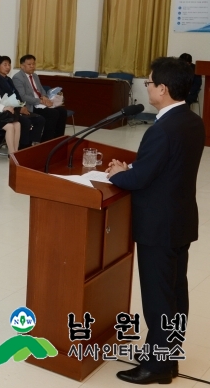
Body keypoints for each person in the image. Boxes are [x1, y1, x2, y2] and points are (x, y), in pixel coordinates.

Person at [104, 57, 205, 385]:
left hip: (158, 226)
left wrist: (121, 174)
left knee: (159, 299)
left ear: (162, 88)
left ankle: (157, 368)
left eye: (149, 82)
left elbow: (142, 178)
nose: (146, 87)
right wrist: (134, 170)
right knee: (176, 294)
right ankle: (166, 357)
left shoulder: (163, 128)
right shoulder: (192, 121)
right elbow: (166, 169)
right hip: (180, 221)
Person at [0, 56, 45, 148]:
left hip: (17, 108)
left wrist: (22, 105)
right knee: (25, 122)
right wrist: (19, 108)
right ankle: (23, 147)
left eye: (9, 65)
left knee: (39, 119)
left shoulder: (8, 79)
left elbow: (17, 95)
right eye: (5, 65)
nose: (8, 67)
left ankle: (33, 144)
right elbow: (2, 99)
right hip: (5, 110)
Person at [12, 54, 67, 141]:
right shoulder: (17, 78)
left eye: (33, 64)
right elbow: (22, 96)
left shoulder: (35, 76)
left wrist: (44, 97)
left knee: (62, 111)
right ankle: (46, 141)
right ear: (22, 66)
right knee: (53, 113)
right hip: (31, 105)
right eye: (29, 64)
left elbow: (41, 89)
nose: (32, 66)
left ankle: (58, 139)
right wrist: (40, 101)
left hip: (41, 103)